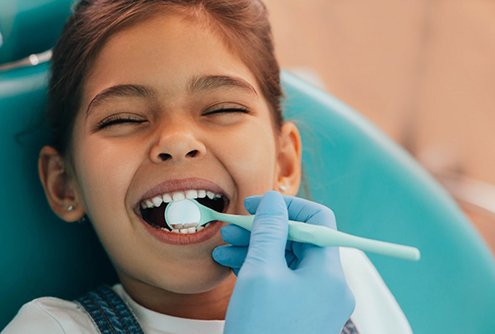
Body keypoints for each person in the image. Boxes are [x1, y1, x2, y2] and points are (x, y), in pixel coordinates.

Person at [2, 0, 411, 333]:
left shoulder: (344, 279)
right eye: (122, 119)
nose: (177, 141)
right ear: (64, 185)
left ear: (284, 161)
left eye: (222, 108)